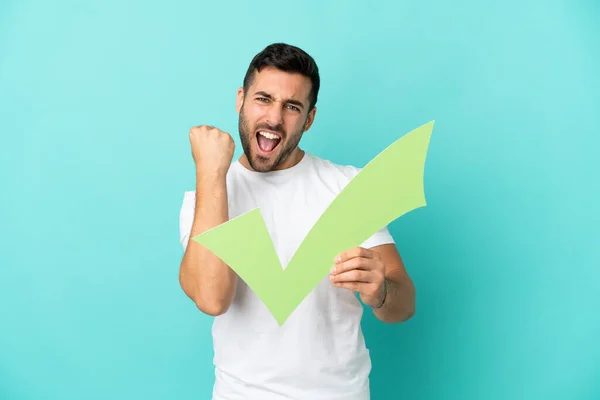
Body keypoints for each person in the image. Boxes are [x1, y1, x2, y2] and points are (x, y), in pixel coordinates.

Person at [178, 42, 416, 400]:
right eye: (263, 99)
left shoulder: (349, 187)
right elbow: (212, 299)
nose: (274, 118)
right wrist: (212, 173)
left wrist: (381, 291)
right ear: (240, 99)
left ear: (309, 118)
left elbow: (404, 305)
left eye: (292, 106)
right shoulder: (206, 197)